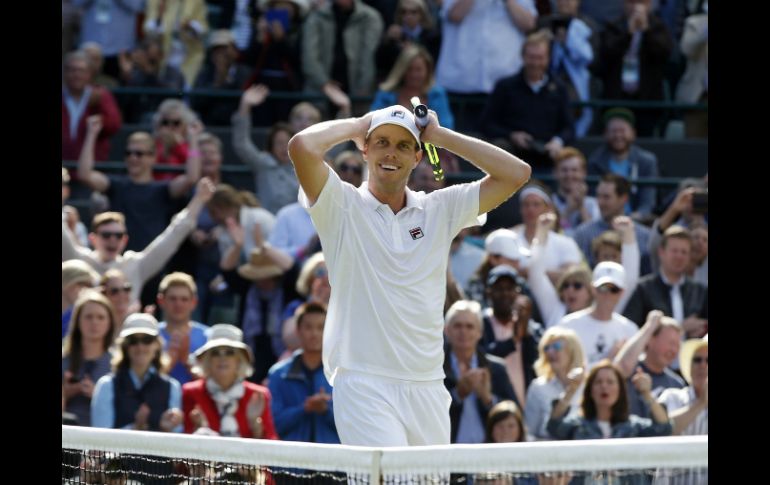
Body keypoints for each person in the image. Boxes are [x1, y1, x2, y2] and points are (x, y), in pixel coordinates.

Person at [288, 103, 531, 445]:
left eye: (403, 145)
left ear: (417, 157)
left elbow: (517, 173)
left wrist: (439, 137)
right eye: (382, 142)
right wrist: (358, 124)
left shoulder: (440, 208)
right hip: (363, 382)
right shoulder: (340, 204)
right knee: (391, 473)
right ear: (365, 149)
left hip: (428, 385)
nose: (391, 153)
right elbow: (301, 146)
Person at [182, 324, 278, 438]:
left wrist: (255, 424)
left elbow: (272, 442)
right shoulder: (191, 392)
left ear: (239, 360)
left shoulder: (257, 395)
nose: (222, 358)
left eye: (229, 352)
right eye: (215, 353)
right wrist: (199, 429)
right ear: (207, 360)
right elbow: (183, 441)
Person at [267, 302, 340, 443]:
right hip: (290, 456)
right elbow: (272, 424)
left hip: (333, 456)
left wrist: (325, 410)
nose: (314, 334)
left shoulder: (340, 376)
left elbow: (353, 425)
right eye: (308, 327)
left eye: (321, 327)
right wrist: (304, 409)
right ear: (298, 331)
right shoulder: (278, 375)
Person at [524, 326, 586, 440]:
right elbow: (530, 432)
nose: (550, 352)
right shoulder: (538, 387)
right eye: (546, 348)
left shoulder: (588, 385)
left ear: (572, 351)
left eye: (556, 346)